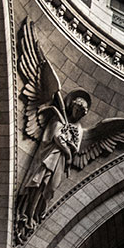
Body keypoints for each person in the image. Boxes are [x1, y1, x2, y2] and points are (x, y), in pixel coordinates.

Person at [15, 89, 91, 232]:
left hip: (59, 162)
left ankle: (35, 213)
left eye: (81, 112)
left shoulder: (79, 128)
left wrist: (69, 146)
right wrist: (67, 151)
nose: (78, 113)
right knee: (40, 183)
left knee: (50, 187)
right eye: (77, 109)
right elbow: (56, 137)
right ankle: (27, 213)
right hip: (49, 156)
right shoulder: (58, 119)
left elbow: (76, 147)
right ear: (72, 106)